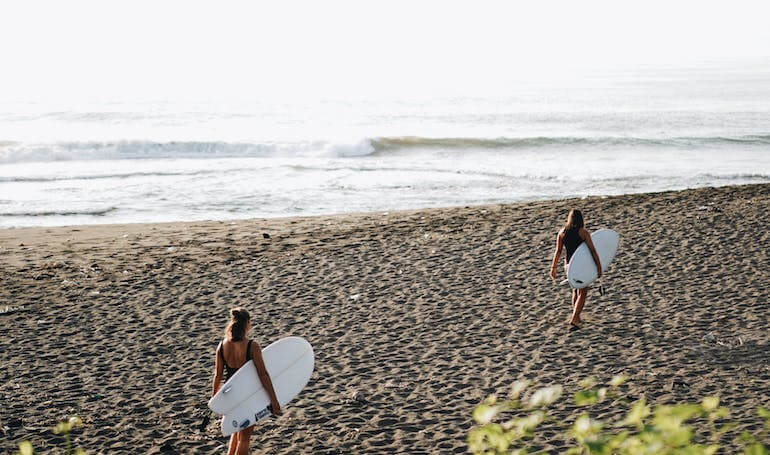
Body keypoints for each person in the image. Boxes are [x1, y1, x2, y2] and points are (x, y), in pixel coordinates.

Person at [212, 308, 281, 455]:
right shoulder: (252, 346)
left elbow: (217, 375)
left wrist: (215, 399)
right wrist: (274, 400)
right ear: (247, 324)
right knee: (244, 438)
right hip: (247, 395)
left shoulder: (222, 346)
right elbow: (263, 374)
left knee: (235, 432)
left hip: (230, 395)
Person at [549, 209, 602, 328]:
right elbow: (592, 251)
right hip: (581, 265)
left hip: (568, 266)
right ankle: (575, 317)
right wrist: (599, 266)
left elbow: (558, 251)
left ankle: (576, 315)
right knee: (583, 292)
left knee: (575, 290)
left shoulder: (562, 232)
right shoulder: (583, 232)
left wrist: (553, 267)